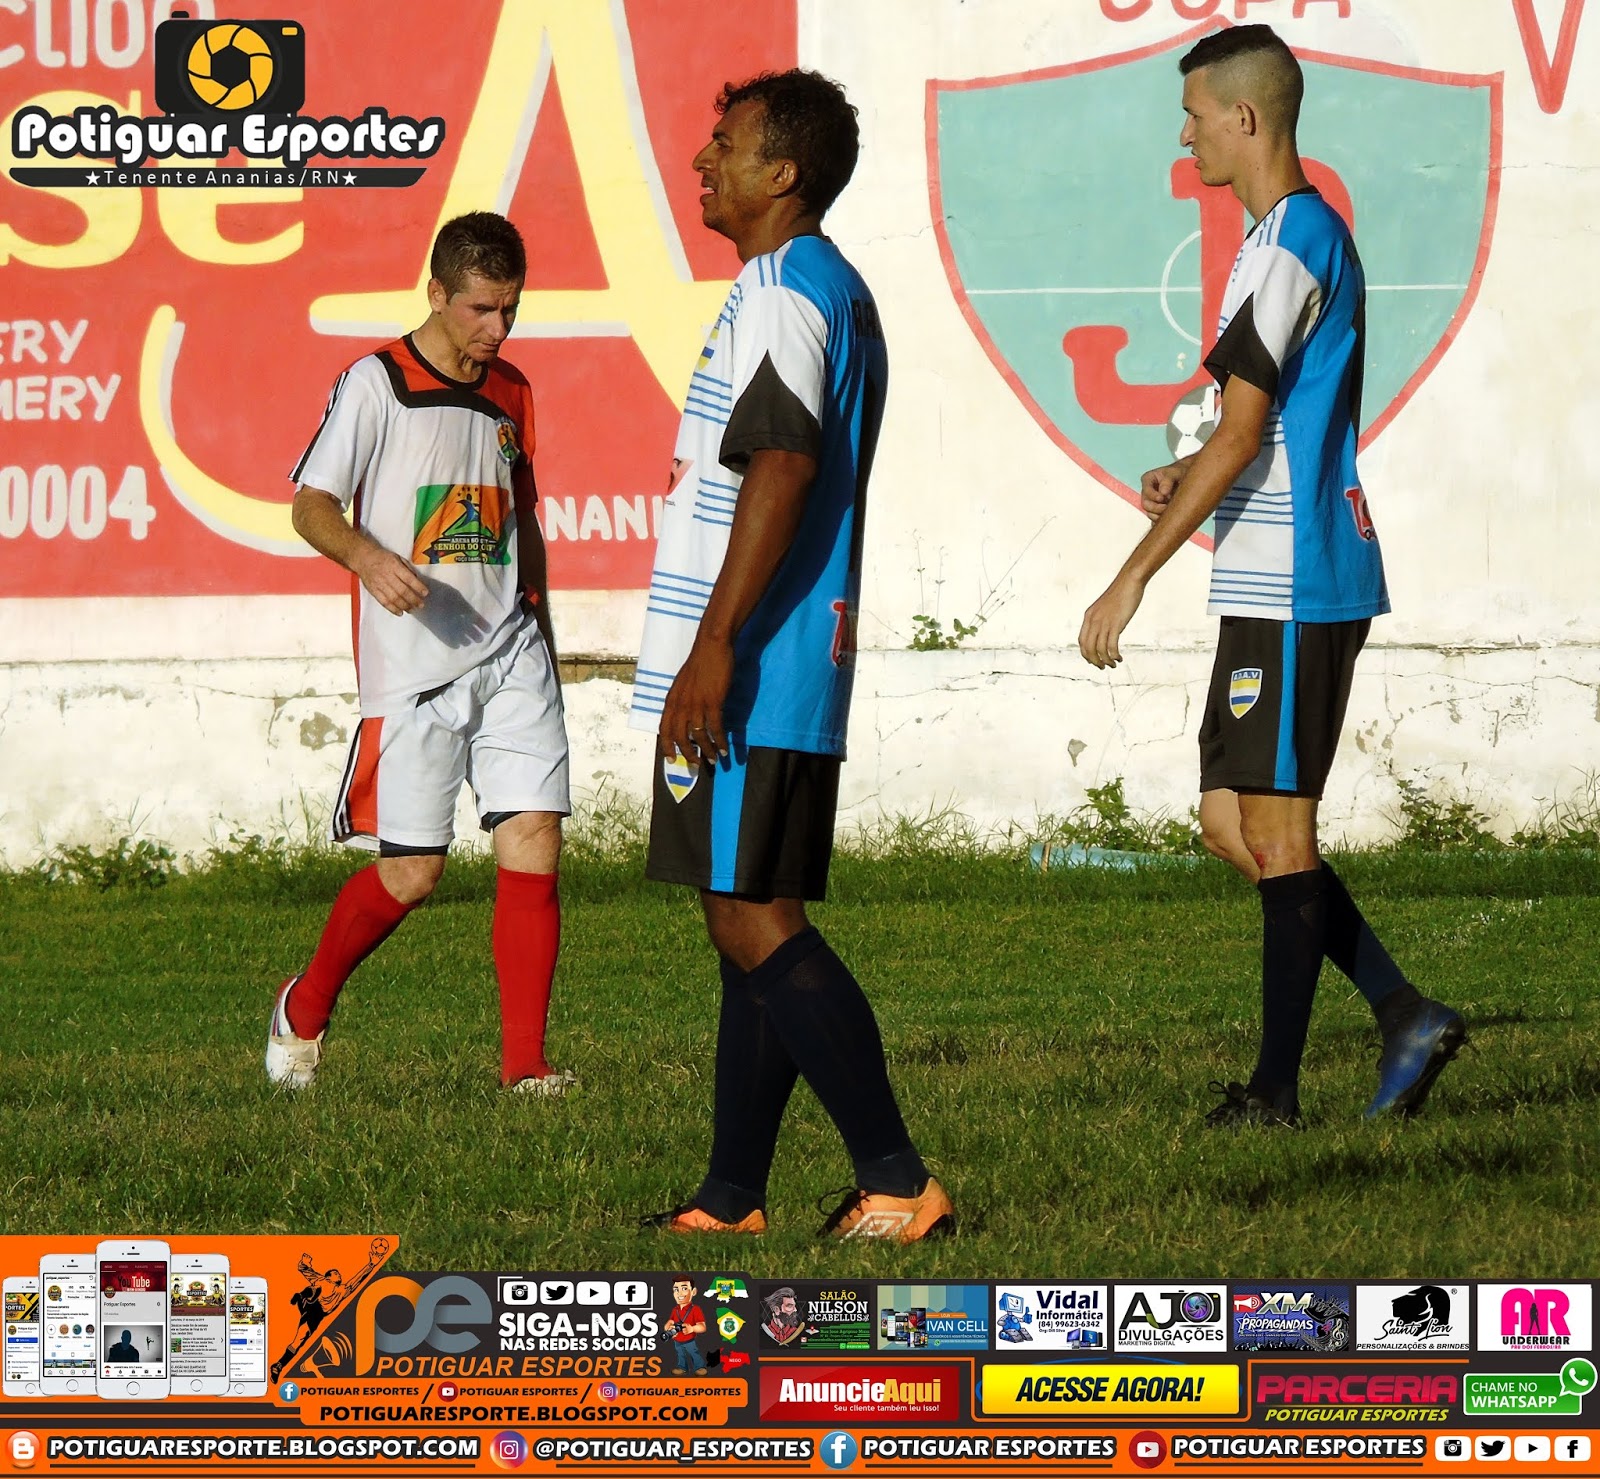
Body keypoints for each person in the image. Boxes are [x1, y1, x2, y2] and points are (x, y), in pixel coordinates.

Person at [1078, 26, 1465, 1127]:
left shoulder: (1294, 238)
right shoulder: (1270, 240)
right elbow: (1248, 426)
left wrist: (1131, 576)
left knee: (1281, 837)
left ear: (1244, 118)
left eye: (1194, 114)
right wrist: (1190, 466)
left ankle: (1274, 1095)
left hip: (1299, 573)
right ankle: (1403, 1011)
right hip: (1263, 575)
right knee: (1229, 823)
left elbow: (1246, 434)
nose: (1185, 134)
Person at [629, 70, 953, 1241]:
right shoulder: (826, 286)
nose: (701, 162)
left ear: (782, 173)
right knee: (741, 917)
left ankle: (897, 1180)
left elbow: (782, 462)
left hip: (759, 660)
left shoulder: (780, 287)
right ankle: (731, 1198)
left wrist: (713, 646)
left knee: (753, 919)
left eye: (724, 145)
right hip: (786, 653)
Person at [265, 212, 573, 1097]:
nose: (497, 328)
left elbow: (524, 516)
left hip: (511, 648)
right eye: (481, 308)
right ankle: (302, 1007)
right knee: (412, 872)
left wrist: (544, 629)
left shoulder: (512, 389)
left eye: (510, 308)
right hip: (416, 664)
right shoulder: (376, 383)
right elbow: (311, 504)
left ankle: (526, 1068)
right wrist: (368, 557)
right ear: (436, 293)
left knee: (534, 837)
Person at [664, 1277, 708, 1376]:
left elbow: (702, 1326)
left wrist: (692, 1328)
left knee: (693, 1352)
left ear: (693, 1291)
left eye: (684, 1289)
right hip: (677, 1339)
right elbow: (670, 1321)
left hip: (689, 1339)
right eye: (676, 1290)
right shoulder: (675, 1310)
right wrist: (668, 1328)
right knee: (680, 1354)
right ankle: (682, 1367)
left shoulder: (695, 1309)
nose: (679, 1293)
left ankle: (699, 1367)